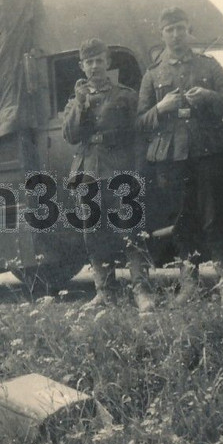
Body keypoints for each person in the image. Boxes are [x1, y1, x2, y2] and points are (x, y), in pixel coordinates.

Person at [137, 7, 223, 300]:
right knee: (181, 220)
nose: (176, 35)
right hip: (170, 158)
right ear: (162, 34)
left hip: (208, 151)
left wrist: (209, 96)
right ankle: (189, 283)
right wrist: (160, 107)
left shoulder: (209, 66)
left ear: (188, 30)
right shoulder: (153, 74)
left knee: (215, 216)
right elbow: (139, 122)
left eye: (180, 28)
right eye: (170, 30)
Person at [62, 38, 154, 311]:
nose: (94, 66)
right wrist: (80, 104)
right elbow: (70, 135)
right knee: (94, 234)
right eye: (89, 62)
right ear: (82, 66)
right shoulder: (75, 101)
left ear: (108, 62)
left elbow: (140, 134)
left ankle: (141, 291)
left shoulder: (126, 95)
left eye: (99, 60)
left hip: (119, 169)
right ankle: (105, 293)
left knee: (131, 231)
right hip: (88, 172)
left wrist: (137, 171)